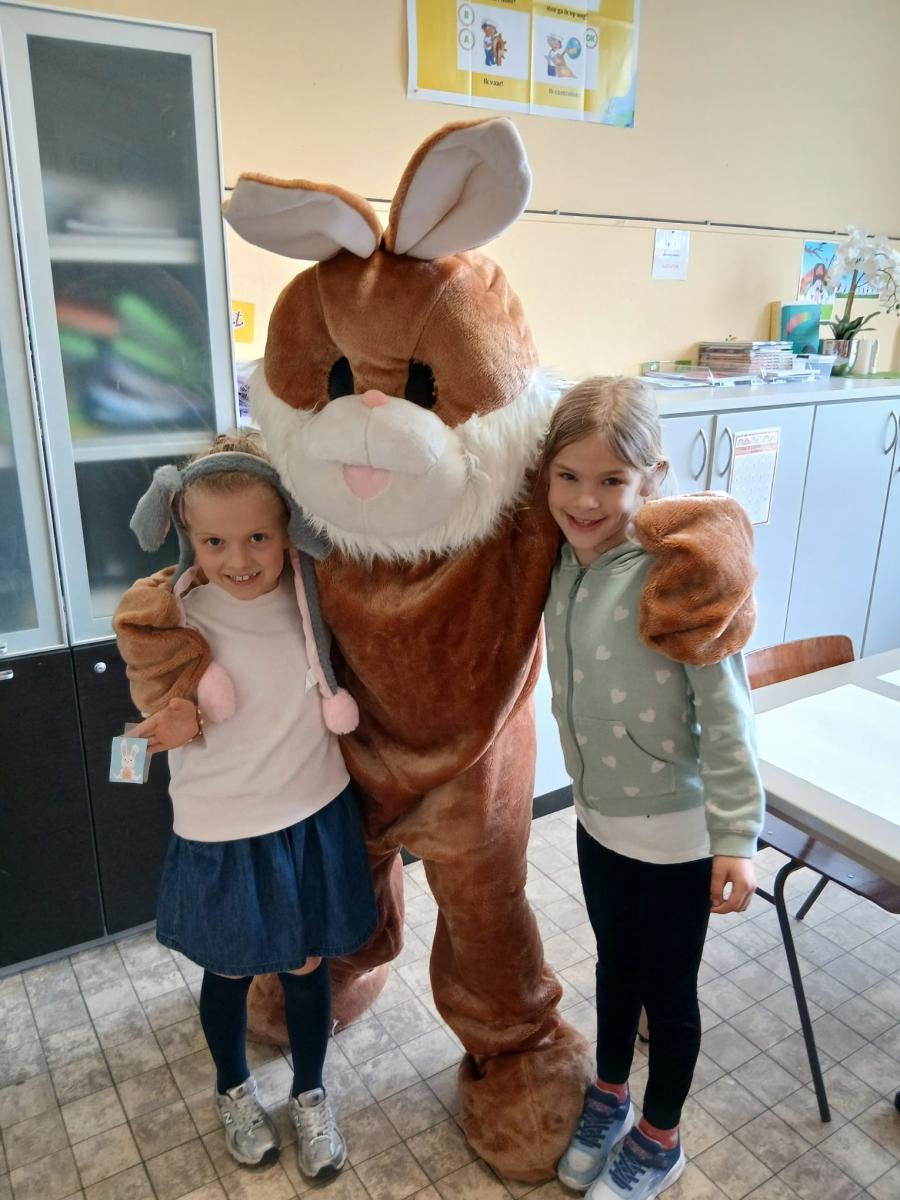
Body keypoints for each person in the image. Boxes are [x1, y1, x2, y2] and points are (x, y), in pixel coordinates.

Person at [113, 431, 376, 1183]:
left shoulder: (311, 592)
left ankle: (310, 1092)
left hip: (312, 811)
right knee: (227, 972)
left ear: (288, 527)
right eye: (215, 541)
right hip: (223, 830)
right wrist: (156, 730)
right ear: (186, 535)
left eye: (258, 536)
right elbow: (131, 738)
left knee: (306, 964)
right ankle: (232, 1088)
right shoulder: (170, 614)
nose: (238, 559)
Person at [541, 378, 764, 1200]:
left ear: (653, 478)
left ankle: (660, 1137)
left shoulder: (680, 577)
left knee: (668, 995)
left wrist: (736, 834)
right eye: (568, 476)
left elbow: (730, 717)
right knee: (614, 969)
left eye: (611, 480)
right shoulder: (556, 560)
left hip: (678, 833)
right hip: (597, 819)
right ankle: (609, 1092)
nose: (586, 500)